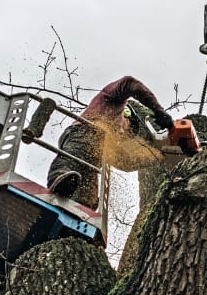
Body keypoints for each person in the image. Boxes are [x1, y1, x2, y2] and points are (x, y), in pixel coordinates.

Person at [46, 76, 174, 210]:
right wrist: (158, 110)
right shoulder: (112, 100)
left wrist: (159, 156)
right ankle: (59, 179)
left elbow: (125, 163)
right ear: (127, 115)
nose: (124, 134)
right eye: (128, 129)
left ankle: (78, 211)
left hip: (92, 159)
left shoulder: (110, 143)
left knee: (87, 199)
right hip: (84, 131)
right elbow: (130, 83)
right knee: (73, 160)